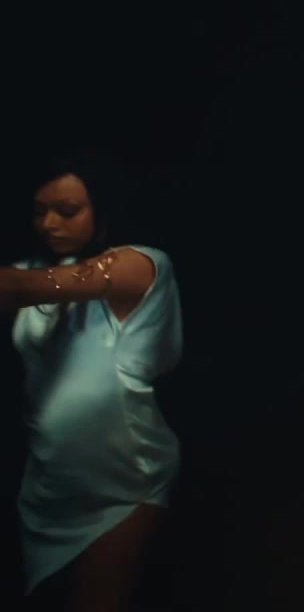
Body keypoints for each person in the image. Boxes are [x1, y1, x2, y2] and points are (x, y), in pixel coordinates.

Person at [0, 152, 183, 612]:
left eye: (66, 211)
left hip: (124, 481)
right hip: (49, 484)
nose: (49, 223)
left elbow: (29, 288)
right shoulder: (27, 270)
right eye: (39, 211)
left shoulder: (139, 264)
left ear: (102, 209)